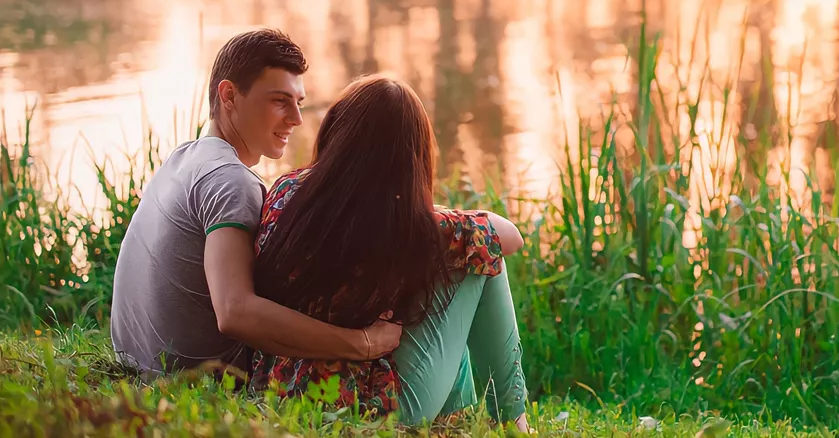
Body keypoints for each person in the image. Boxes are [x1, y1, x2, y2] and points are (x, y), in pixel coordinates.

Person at [111, 29, 404, 375]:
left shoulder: (184, 159)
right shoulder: (231, 180)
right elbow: (235, 311)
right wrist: (362, 343)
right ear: (230, 95)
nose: (295, 118)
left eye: (299, 103)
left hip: (135, 364)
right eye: (280, 101)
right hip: (196, 383)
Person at [249, 74, 531, 432]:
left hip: (281, 392)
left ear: (336, 132)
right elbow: (509, 236)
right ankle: (513, 421)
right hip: (369, 410)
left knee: (461, 256)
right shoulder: (407, 228)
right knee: (483, 258)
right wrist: (430, 216)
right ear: (409, 158)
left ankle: (453, 420)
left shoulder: (287, 189)